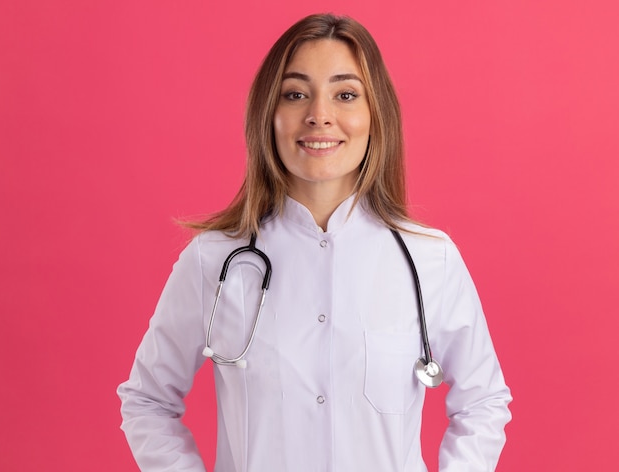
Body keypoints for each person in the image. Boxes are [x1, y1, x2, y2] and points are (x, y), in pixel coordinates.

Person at [117, 13, 512, 472]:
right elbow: (147, 401)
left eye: (345, 94)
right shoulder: (214, 260)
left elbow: (482, 402)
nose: (319, 115)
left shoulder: (430, 260)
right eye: (295, 94)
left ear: (374, 114)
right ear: (269, 114)